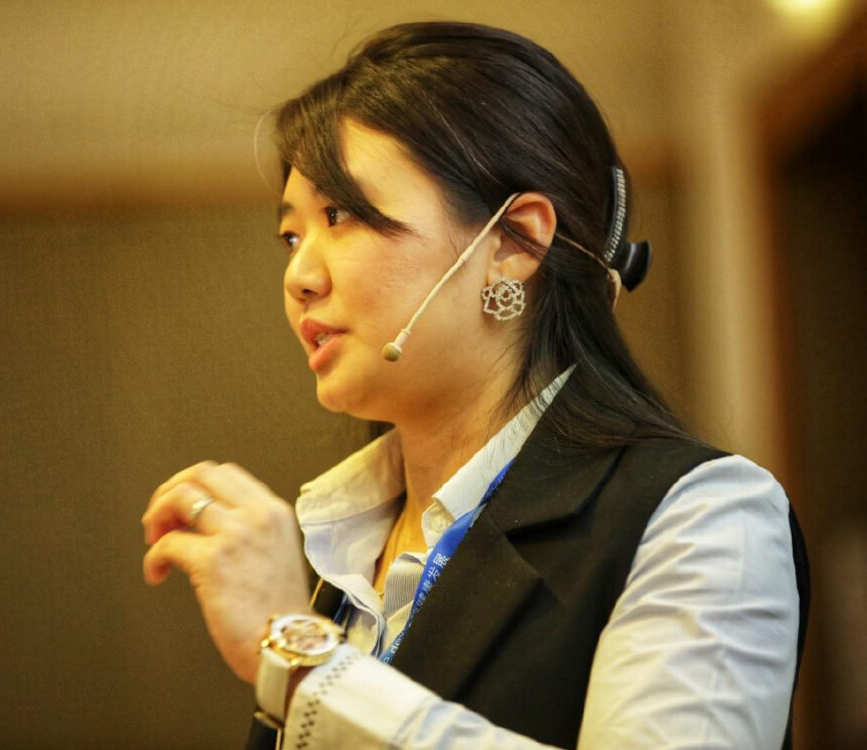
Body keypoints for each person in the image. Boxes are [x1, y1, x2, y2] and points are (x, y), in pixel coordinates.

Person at [141, 21, 808, 749]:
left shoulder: (703, 516)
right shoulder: (343, 548)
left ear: (514, 242)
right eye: (292, 236)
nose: (299, 276)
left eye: (341, 215)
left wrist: (305, 668)